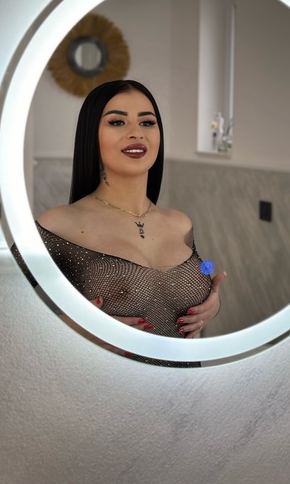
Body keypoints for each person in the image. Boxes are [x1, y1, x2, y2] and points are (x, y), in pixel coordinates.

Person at [14, 79, 226, 367]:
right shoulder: (58, 224)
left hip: (187, 389)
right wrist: (73, 327)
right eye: (117, 122)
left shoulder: (180, 223)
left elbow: (206, 266)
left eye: (147, 123)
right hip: (103, 391)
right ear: (92, 135)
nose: (136, 133)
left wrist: (212, 298)